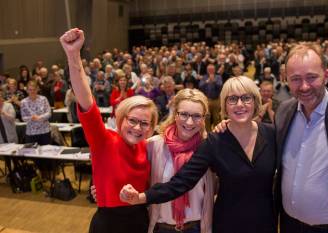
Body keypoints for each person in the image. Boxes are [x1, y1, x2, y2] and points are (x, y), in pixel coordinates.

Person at [121, 76, 277, 233]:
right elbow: (181, 182)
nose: (240, 104)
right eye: (233, 99)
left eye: (246, 98)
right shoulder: (213, 143)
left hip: (263, 223)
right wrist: (131, 194)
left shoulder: (271, 134)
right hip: (226, 223)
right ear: (224, 106)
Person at [60, 28, 158, 233]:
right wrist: (73, 55)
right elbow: (86, 99)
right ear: (121, 119)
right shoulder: (104, 140)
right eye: (132, 120)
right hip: (108, 225)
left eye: (144, 123)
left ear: (151, 127)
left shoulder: (149, 147)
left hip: (141, 222)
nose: (137, 127)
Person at [275, 43, 328, 232]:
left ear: (327, 74)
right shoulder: (284, 111)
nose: (304, 86)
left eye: (311, 77)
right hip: (289, 225)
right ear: (286, 79)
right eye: (295, 79)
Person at [147, 88, 215, 233]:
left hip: (196, 228)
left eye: (197, 116)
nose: (190, 122)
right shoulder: (154, 145)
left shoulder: (209, 148)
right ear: (175, 113)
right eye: (184, 114)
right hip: (162, 228)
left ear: (204, 118)